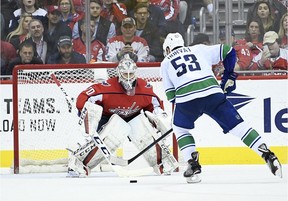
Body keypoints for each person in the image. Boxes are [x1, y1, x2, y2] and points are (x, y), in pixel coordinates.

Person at [160, 32, 282, 183]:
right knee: (239, 127)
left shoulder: (165, 62)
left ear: (167, 49)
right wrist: (229, 76)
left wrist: (190, 110)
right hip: (213, 92)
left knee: (180, 128)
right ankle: (267, 154)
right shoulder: (198, 49)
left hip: (187, 99)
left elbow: (171, 97)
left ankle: (193, 163)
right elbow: (228, 51)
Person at [67, 54, 177, 177]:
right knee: (114, 131)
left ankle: (162, 163)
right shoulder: (107, 87)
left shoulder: (144, 89)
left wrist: (160, 117)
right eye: (125, 74)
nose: (128, 78)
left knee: (142, 127)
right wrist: (86, 113)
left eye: (131, 74)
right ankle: (79, 163)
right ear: (119, 73)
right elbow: (84, 97)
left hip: (133, 117)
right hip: (107, 118)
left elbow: (155, 105)